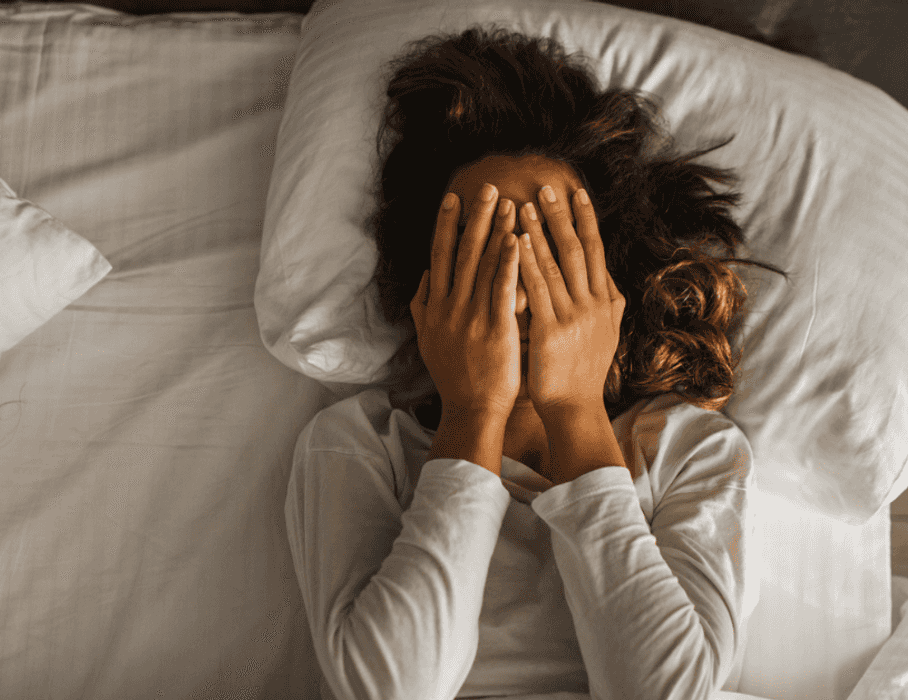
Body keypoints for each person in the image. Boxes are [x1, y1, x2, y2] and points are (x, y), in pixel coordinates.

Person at [285, 25, 789, 700]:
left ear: (607, 284)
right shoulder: (358, 445)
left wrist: (573, 412)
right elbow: (392, 689)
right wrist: (472, 414)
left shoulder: (687, 449)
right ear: (424, 289)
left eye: (551, 246)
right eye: (477, 249)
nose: (516, 282)